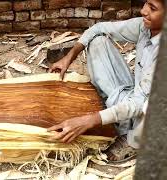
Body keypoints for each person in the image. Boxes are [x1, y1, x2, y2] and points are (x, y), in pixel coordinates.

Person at [48, 0, 165, 161]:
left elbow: (140, 104)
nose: (143, 11)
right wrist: (69, 58)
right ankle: (118, 116)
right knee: (97, 41)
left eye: (152, 8)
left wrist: (89, 121)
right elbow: (98, 28)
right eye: (146, 3)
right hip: (139, 94)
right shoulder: (145, 27)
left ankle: (135, 142)